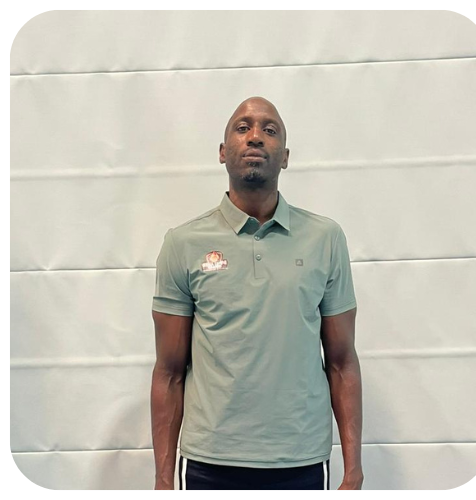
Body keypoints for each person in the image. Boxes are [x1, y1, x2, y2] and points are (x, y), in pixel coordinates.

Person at [151, 96, 363, 491]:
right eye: (242, 127)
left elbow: (342, 362)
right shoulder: (183, 243)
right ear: (222, 152)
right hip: (209, 463)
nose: (255, 137)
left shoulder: (325, 239)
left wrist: (353, 470)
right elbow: (168, 372)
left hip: (300, 462)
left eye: (270, 130)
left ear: (285, 157)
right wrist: (163, 478)